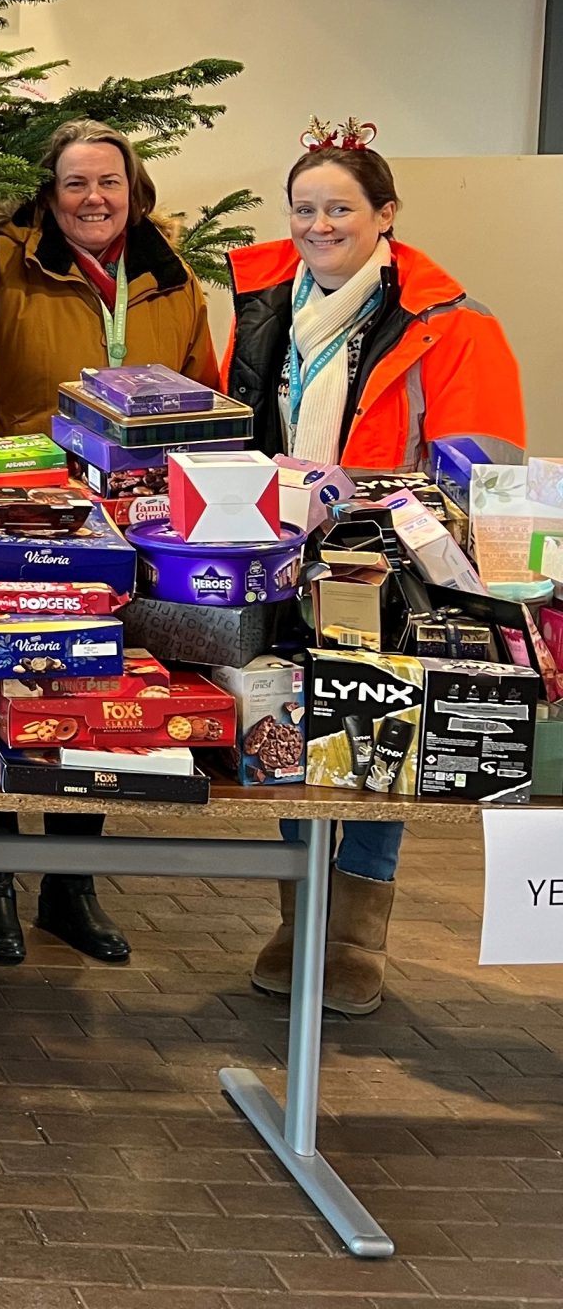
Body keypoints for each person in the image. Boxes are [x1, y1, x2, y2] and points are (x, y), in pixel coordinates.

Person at [227, 130, 524, 1019]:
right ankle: (298, 916)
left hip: (393, 567)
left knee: (380, 736)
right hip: (282, 550)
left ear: (385, 214)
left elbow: (487, 463)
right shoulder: (261, 305)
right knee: (295, 723)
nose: (320, 225)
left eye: (340, 208)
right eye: (305, 208)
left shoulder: (455, 324)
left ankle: (357, 936)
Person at [0, 119, 220, 971]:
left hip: (125, 525)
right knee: (1, 685)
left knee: (95, 690)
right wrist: (1, 489)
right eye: (75, 184)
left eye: (110, 183)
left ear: (136, 193)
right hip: (18, 519)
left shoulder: (173, 281)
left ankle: (70, 881)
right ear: (47, 196)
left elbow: (200, 398)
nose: (94, 199)